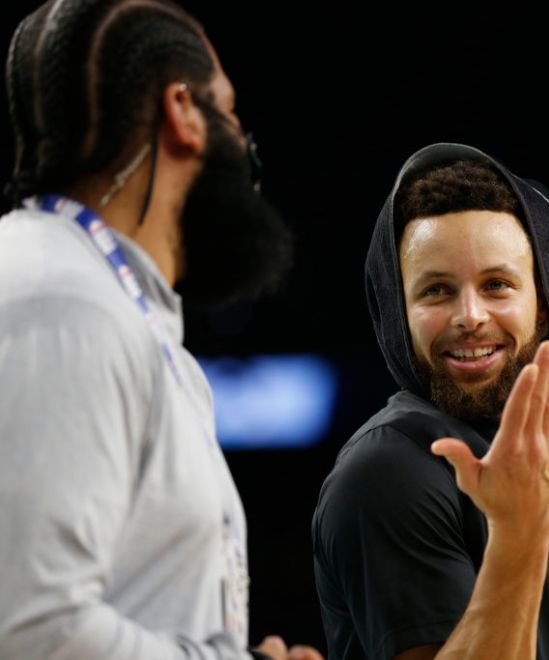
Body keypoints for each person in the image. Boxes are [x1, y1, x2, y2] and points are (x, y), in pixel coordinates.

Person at [0, 1, 321, 658]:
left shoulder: (111, 306)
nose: (244, 144)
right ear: (184, 112)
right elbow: (31, 630)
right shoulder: (58, 296)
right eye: (229, 113)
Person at [312, 143, 549, 659]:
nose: (470, 316)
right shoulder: (388, 467)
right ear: (400, 314)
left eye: (497, 285)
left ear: (544, 306)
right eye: (436, 291)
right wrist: (520, 535)